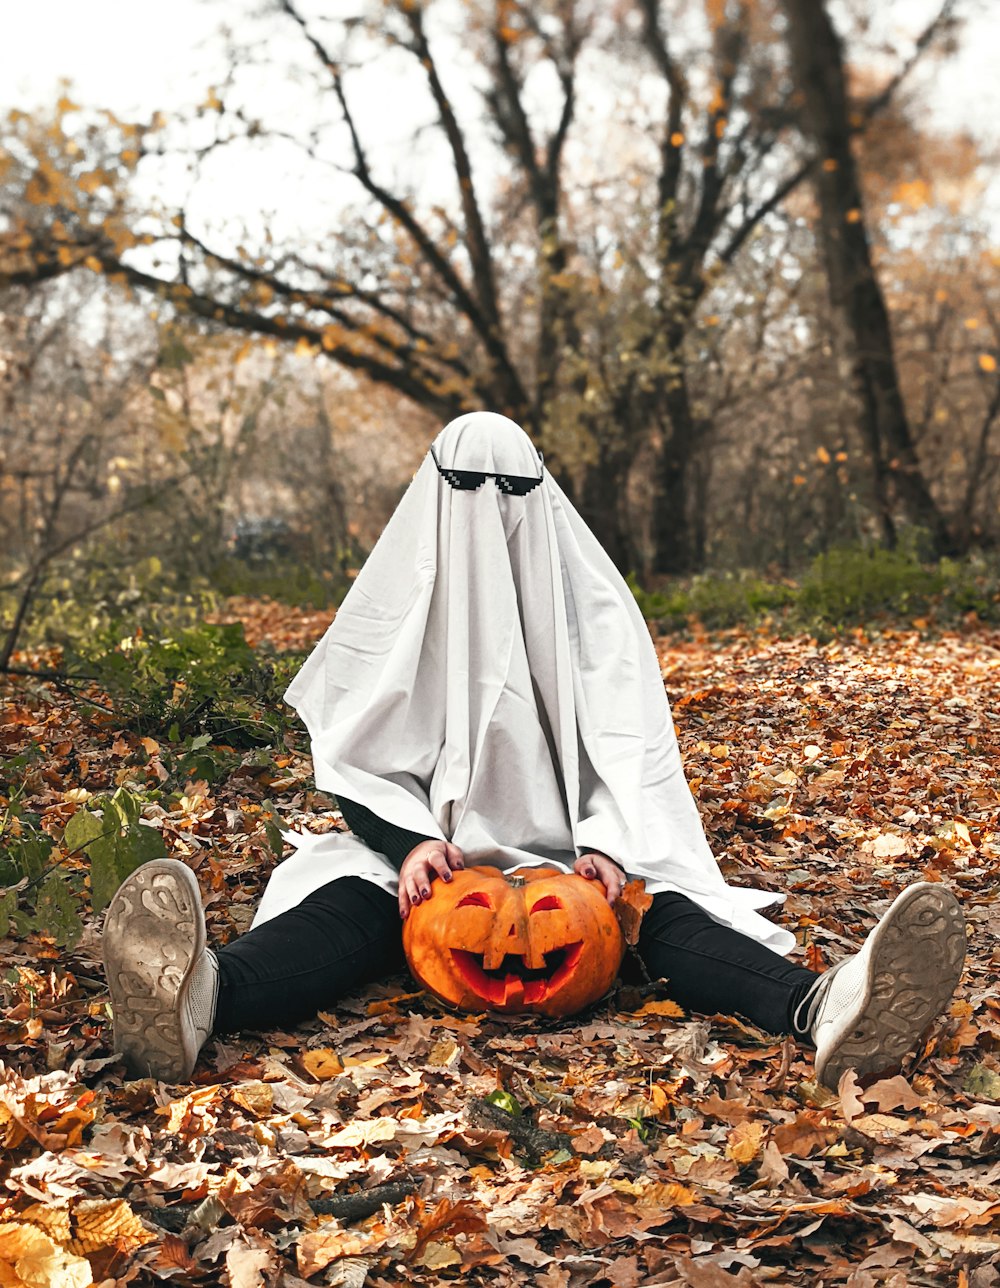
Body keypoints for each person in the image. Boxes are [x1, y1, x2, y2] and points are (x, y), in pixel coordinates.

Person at [102, 412, 967, 1091]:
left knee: (653, 920)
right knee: (356, 909)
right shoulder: (398, 606)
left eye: (509, 488)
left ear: (537, 491)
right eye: (470, 486)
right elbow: (355, 754)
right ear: (438, 493)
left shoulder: (592, 605)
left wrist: (606, 846)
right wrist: (410, 846)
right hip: (433, 858)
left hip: (571, 859)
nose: (490, 509)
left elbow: (633, 747)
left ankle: (824, 1009)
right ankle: (201, 997)